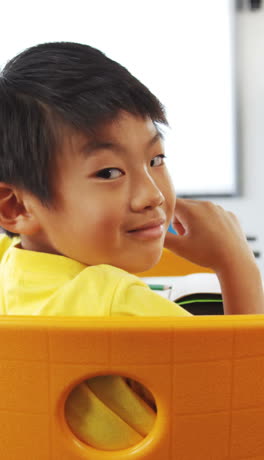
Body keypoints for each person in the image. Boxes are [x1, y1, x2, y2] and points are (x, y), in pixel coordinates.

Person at [0, 42, 263, 449]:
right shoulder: (118, 301)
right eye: (109, 172)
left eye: (156, 160)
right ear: (16, 205)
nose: (152, 195)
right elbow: (247, 412)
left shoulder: (9, 273)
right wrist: (235, 263)